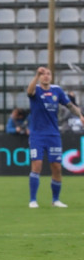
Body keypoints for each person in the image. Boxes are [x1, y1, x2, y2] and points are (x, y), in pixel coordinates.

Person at [26, 66, 84, 208]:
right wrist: (36, 75)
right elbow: (29, 91)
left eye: (48, 74)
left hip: (53, 134)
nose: (45, 76)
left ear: (51, 77)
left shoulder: (56, 90)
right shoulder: (36, 90)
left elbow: (70, 105)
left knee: (57, 167)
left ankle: (55, 200)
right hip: (37, 135)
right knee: (37, 165)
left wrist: (81, 115)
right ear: (39, 77)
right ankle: (33, 200)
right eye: (43, 74)